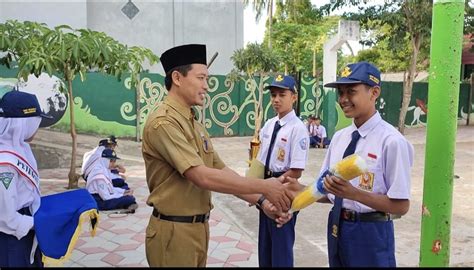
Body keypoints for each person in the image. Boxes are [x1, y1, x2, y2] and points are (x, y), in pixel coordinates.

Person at [141, 44, 297, 267]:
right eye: (201, 78)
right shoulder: (164, 123)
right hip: (174, 233)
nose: (207, 86)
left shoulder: (193, 123)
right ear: (177, 77)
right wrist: (264, 187)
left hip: (197, 229)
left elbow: (221, 170)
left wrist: (262, 202)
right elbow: (201, 176)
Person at [320, 61, 414, 267]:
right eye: (341, 92)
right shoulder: (339, 138)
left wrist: (354, 194)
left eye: (351, 91)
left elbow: (401, 205)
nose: (343, 99)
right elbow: (327, 189)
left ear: (374, 92)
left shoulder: (391, 141)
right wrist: (291, 192)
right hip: (337, 226)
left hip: (371, 233)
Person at [253, 74, 309, 267]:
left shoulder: (298, 129)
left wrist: (273, 188)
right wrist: (254, 188)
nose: (276, 99)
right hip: (265, 188)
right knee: (265, 247)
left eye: (282, 95)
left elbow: (296, 171)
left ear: (294, 97)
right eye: (273, 95)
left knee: (281, 251)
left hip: (283, 190)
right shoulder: (269, 124)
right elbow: (259, 160)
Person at [0, 90, 52, 267]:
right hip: (12, 235)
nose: (37, 127)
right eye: (35, 121)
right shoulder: (5, 163)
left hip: (27, 226)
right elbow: (6, 217)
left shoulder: (21, 147)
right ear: (22, 124)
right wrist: (42, 223)